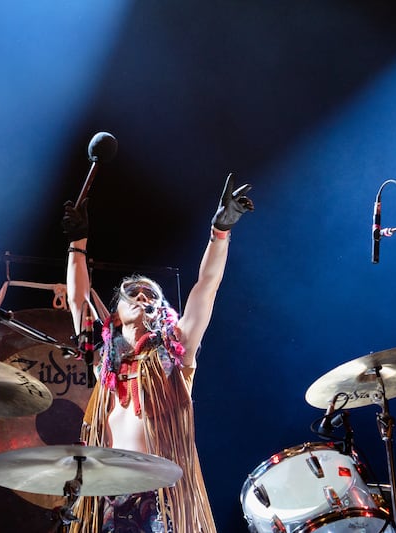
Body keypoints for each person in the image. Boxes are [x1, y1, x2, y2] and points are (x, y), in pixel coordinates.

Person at [61, 173, 254, 533]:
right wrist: (77, 241)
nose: (143, 297)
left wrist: (220, 234)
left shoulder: (172, 355)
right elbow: (77, 299)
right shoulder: (106, 361)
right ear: (115, 311)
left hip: (160, 495)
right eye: (133, 292)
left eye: (151, 295)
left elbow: (206, 288)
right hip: (108, 492)